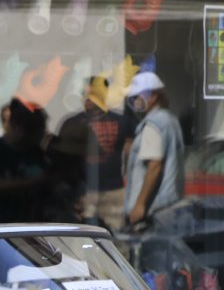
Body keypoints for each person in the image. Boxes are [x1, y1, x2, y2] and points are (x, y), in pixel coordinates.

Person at [51, 75, 133, 227]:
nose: (88, 98)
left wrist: (129, 181)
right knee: (83, 235)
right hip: (83, 193)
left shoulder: (122, 121)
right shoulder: (72, 123)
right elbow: (61, 160)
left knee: (116, 236)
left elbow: (130, 153)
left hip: (114, 191)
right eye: (85, 93)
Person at [123, 70, 185, 230]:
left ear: (153, 96)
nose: (135, 101)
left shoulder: (153, 125)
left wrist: (140, 204)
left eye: (138, 96)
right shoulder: (170, 120)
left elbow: (155, 166)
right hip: (167, 207)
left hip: (152, 210)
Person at [0, 98, 51, 224]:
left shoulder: (36, 152)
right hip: (2, 225)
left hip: (33, 224)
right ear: (18, 127)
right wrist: (37, 182)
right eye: (34, 130)